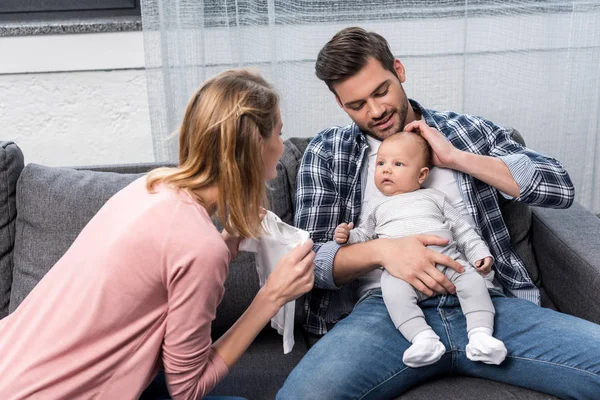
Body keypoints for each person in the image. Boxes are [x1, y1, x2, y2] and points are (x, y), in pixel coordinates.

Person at [277, 27, 600, 399]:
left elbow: (558, 187)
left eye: (381, 91)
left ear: (399, 70)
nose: (376, 111)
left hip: (486, 302)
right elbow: (309, 263)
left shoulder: (467, 132)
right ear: (340, 105)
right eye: (357, 104)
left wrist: (456, 158)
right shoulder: (328, 152)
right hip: (383, 313)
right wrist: (382, 252)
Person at [0, 69, 315, 400]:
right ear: (254, 148)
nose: (282, 147)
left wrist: (226, 244)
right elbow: (187, 389)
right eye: (278, 134)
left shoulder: (151, 187)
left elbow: (152, 290)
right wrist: (271, 299)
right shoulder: (198, 247)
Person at [333, 131, 506, 369]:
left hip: (449, 262)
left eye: (398, 164)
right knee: (392, 292)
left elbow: (464, 230)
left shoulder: (435, 197)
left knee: (474, 283)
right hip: (401, 272)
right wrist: (348, 236)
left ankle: (481, 335)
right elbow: (364, 236)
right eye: (381, 163)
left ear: (422, 175)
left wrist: (480, 254)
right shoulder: (376, 206)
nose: (386, 170)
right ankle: (422, 338)